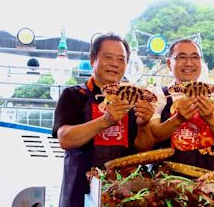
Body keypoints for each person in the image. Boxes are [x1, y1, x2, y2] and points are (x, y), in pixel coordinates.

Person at [52, 33, 155, 207]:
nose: (115, 64)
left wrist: (144, 125)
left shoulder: (135, 98)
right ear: (93, 60)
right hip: (80, 193)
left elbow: (144, 150)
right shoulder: (74, 95)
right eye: (108, 57)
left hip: (125, 196)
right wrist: (104, 121)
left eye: (121, 60)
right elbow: (65, 139)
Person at [148, 39, 214, 171]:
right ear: (169, 63)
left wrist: (211, 118)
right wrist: (178, 119)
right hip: (165, 177)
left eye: (195, 57)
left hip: (206, 176)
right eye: (181, 57)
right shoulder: (159, 95)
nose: (189, 63)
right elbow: (153, 136)